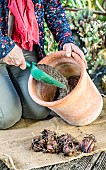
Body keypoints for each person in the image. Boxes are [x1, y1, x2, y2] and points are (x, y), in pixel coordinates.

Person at [0, 0, 87, 129]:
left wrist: (66, 40)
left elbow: (54, 10)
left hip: (23, 47)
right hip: (4, 47)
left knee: (39, 110)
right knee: (8, 117)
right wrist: (5, 48)